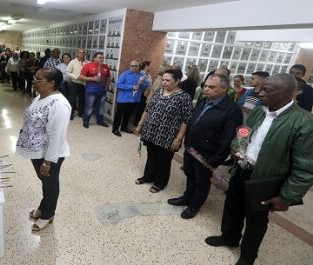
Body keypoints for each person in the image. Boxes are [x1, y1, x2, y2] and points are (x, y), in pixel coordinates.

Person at [205, 74, 313, 265]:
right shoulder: (259, 111)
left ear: (287, 93)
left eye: (266, 90)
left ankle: (247, 256)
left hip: (265, 179)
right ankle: (229, 237)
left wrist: (287, 196)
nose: (259, 93)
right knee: (233, 207)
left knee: (256, 220)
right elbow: (244, 131)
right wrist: (237, 145)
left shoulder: (303, 122)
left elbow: (305, 167)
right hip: (241, 169)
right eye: (260, 88)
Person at [168, 74, 243, 219]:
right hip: (191, 148)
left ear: (224, 89)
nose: (206, 89)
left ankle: (194, 205)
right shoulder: (204, 101)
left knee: (202, 180)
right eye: (205, 86)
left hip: (208, 154)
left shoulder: (231, 110)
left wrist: (215, 159)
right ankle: (187, 197)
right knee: (190, 174)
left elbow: (227, 138)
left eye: (211, 87)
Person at [16, 67, 72, 231]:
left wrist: (48, 161)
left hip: (50, 154)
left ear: (51, 83)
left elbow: (57, 136)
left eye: (38, 79)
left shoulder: (60, 105)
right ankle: (44, 206)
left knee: (50, 183)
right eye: (34, 77)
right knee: (45, 182)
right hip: (37, 151)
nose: (33, 81)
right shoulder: (40, 97)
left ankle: (48, 214)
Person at [134, 69, 192, 193]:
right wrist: (140, 125)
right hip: (151, 132)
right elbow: (147, 109)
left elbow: (186, 120)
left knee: (164, 160)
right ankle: (148, 176)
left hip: (168, 136)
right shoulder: (159, 92)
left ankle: (160, 183)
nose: (164, 82)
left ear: (177, 81)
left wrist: (178, 139)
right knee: (151, 156)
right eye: (163, 80)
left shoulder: (184, 97)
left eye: (168, 80)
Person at [112, 60, 150, 136]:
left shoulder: (141, 76)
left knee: (128, 115)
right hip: (123, 99)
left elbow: (146, 87)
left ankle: (124, 127)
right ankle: (115, 129)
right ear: (130, 66)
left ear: (139, 67)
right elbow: (118, 85)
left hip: (135, 99)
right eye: (132, 66)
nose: (134, 67)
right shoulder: (124, 74)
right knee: (119, 115)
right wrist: (131, 87)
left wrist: (142, 84)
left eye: (136, 66)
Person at [79, 52, 110, 128]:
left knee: (101, 107)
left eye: (102, 58)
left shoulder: (105, 67)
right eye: (100, 58)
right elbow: (81, 77)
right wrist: (92, 78)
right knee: (89, 106)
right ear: (94, 58)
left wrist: (107, 87)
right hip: (91, 90)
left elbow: (108, 77)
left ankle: (100, 121)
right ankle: (86, 121)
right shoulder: (88, 66)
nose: (102, 59)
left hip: (102, 90)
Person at [66, 49, 89, 119]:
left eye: (83, 53)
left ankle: (80, 113)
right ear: (77, 53)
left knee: (82, 99)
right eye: (80, 52)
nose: (82, 54)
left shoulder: (88, 62)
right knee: (72, 99)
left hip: (84, 84)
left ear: (85, 54)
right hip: (75, 83)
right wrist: (76, 77)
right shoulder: (72, 62)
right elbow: (68, 72)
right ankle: (71, 114)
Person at [133, 61, 152, 127]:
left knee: (142, 109)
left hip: (146, 94)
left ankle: (138, 122)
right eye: (150, 65)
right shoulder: (140, 73)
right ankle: (136, 123)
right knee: (138, 109)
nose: (151, 67)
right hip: (140, 93)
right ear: (146, 66)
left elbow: (149, 84)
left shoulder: (148, 74)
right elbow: (138, 84)